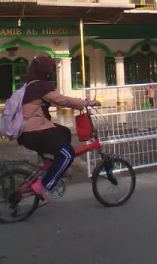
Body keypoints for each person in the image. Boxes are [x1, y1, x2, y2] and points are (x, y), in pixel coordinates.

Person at [17, 56, 100, 202]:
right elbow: (63, 100)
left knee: (64, 131)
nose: (51, 71)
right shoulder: (40, 86)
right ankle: (44, 186)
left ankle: (55, 164)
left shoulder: (30, 85)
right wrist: (87, 102)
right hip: (35, 132)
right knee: (68, 155)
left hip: (29, 131)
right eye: (48, 68)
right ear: (43, 70)